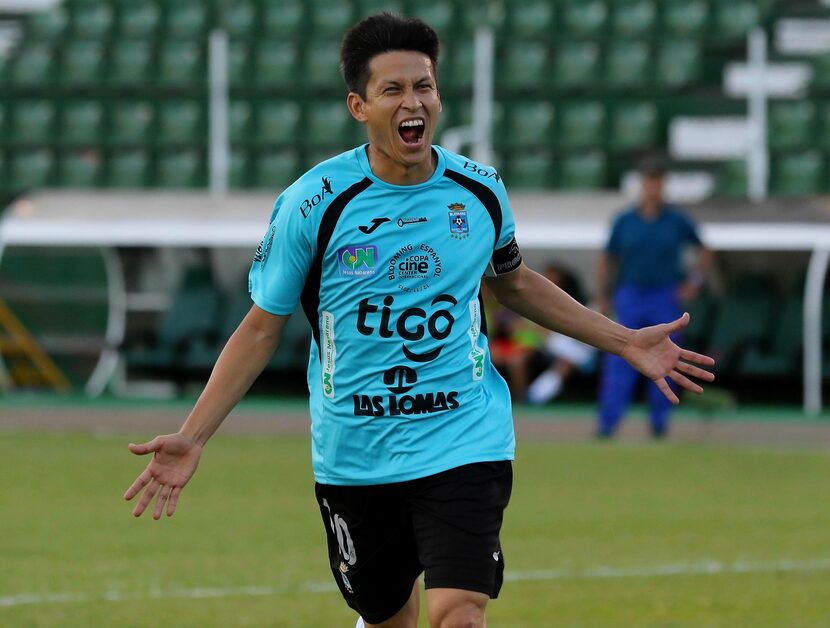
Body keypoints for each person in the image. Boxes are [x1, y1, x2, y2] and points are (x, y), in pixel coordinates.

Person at [123, 14, 715, 628]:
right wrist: (192, 436)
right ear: (359, 105)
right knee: (389, 619)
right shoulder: (313, 203)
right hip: (355, 452)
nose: (415, 102)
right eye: (394, 90)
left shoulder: (479, 191)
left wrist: (623, 342)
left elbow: (513, 282)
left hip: (464, 435)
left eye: (425, 86)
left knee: (458, 616)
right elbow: (260, 328)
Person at [596, 157, 713, 439]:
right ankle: (608, 425)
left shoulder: (676, 220)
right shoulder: (625, 221)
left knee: (666, 357)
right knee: (620, 358)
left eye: (658, 182)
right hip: (631, 293)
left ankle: (660, 424)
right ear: (642, 185)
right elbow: (607, 258)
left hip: (664, 295)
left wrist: (693, 284)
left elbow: (705, 251)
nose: (653, 188)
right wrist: (604, 294)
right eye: (649, 182)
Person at [525, 263, 596, 405]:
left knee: (566, 362)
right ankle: (534, 396)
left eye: (554, 279)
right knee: (565, 362)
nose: (549, 281)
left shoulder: (582, 304)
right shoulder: (536, 302)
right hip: (549, 346)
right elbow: (532, 330)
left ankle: (534, 396)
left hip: (580, 346)